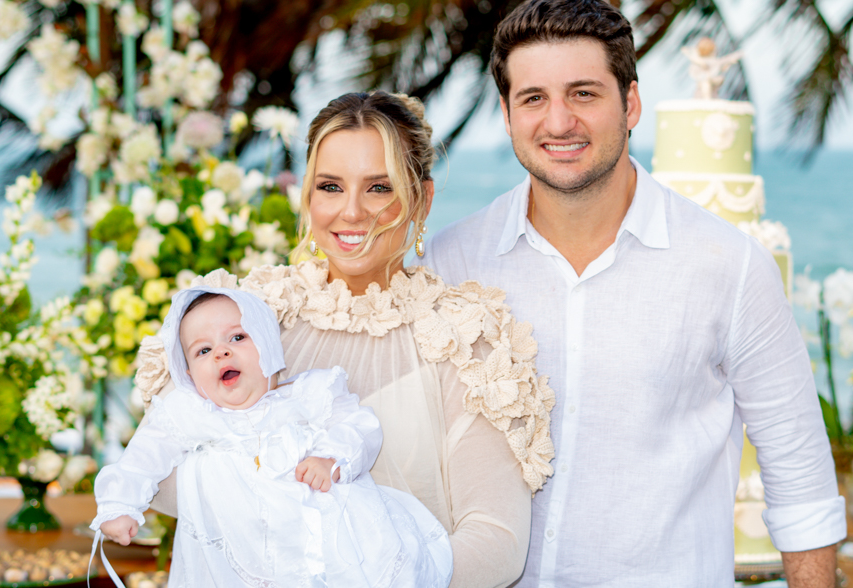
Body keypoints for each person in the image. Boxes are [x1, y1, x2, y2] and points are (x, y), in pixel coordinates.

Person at [420, 0, 846, 587]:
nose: (559, 121)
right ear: (507, 111)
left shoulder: (731, 266)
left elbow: (798, 472)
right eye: (534, 98)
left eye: (584, 94)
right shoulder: (451, 259)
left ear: (631, 102)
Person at [132, 92, 555, 588]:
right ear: (308, 196)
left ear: (423, 198)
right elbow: (156, 471)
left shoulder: (463, 342)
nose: (351, 212)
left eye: (379, 188)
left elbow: (496, 542)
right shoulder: (253, 315)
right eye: (331, 186)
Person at [93, 287, 452, 587]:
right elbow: (142, 457)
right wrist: (119, 505)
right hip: (237, 557)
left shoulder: (304, 396)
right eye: (203, 350)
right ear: (190, 376)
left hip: (324, 546)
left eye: (237, 337)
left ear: (268, 345)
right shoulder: (190, 414)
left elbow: (358, 425)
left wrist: (331, 459)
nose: (221, 352)